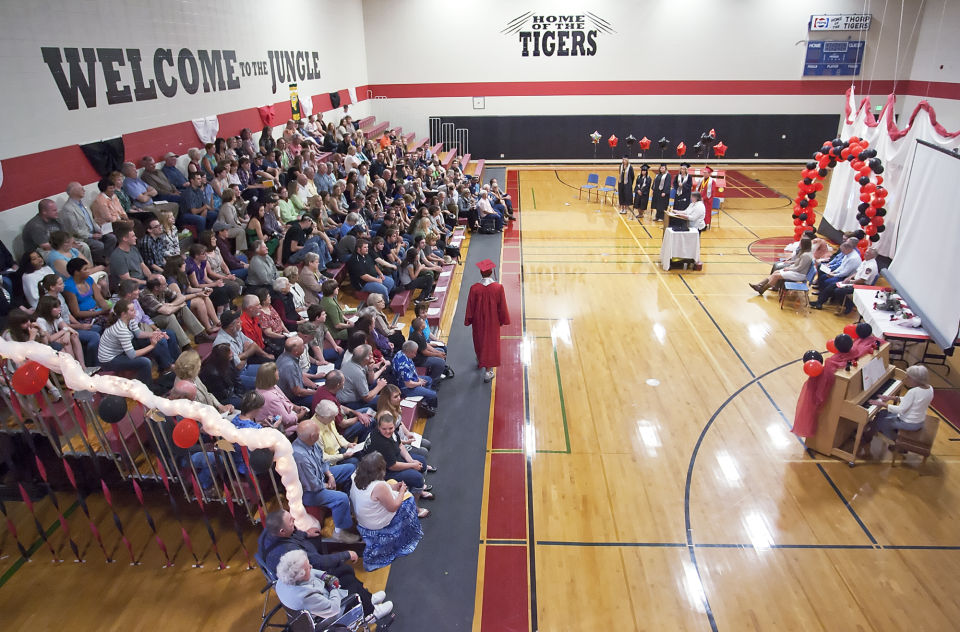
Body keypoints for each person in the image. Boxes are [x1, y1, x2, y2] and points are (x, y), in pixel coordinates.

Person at [256, 510, 390, 621]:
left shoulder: (270, 532)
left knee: (346, 571)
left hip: (295, 575)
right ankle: (370, 613)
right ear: (281, 531)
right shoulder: (290, 552)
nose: (294, 521)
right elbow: (318, 563)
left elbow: (294, 536)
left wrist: (305, 534)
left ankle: (368, 598)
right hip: (310, 586)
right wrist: (345, 557)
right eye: (291, 521)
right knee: (347, 576)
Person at [350, 452, 425, 570]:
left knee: (392, 482)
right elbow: (393, 507)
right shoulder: (379, 486)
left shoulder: (356, 475)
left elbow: (374, 492)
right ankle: (408, 536)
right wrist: (402, 491)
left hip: (362, 518)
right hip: (375, 523)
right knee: (408, 500)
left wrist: (393, 488)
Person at [292, 419, 360, 543]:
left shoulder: (311, 442)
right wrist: (327, 485)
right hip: (309, 493)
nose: (319, 435)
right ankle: (340, 532)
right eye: (318, 433)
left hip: (320, 479)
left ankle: (350, 507)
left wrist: (330, 475)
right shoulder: (299, 456)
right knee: (341, 498)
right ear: (313, 436)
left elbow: (322, 461)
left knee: (350, 468)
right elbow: (312, 485)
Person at [860, 365, 934, 456]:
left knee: (881, 422)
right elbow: (911, 401)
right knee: (882, 413)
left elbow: (901, 410)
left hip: (909, 423)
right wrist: (891, 398)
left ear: (915, 380)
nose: (906, 378)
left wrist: (882, 404)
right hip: (918, 421)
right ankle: (869, 434)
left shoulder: (913, 392)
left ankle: (899, 444)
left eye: (908, 377)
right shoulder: (929, 388)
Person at [98, 300, 166, 390]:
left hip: (119, 352)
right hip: (109, 360)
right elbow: (132, 354)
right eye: (132, 310)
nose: (136, 312)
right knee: (145, 362)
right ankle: (148, 390)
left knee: (156, 342)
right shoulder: (121, 329)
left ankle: (164, 368)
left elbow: (138, 334)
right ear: (124, 314)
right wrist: (152, 346)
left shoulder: (130, 320)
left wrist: (154, 334)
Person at [368, 412, 434, 503]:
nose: (388, 431)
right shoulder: (381, 443)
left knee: (422, 462)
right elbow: (392, 466)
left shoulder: (392, 432)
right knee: (417, 478)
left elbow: (400, 445)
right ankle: (415, 507)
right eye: (384, 429)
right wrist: (412, 465)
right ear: (379, 427)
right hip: (384, 473)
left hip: (395, 458)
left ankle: (417, 489)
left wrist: (410, 460)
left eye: (390, 428)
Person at [464, 259, 510, 382]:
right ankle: (488, 372)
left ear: (481, 273)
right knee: (490, 343)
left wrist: (469, 319)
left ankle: (481, 359)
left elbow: (470, 307)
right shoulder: (498, 287)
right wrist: (502, 319)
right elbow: (502, 307)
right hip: (492, 321)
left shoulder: (474, 288)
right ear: (491, 272)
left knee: (480, 340)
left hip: (478, 321)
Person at [213, 310, 273, 391]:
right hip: (236, 377)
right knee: (266, 381)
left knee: (271, 369)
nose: (241, 322)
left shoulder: (236, 331)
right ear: (231, 326)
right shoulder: (222, 343)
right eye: (238, 322)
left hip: (246, 367)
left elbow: (253, 345)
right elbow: (238, 366)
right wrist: (246, 352)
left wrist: (266, 355)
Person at [60, 182, 114, 264]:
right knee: (99, 245)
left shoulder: (84, 204)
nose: (84, 190)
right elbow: (74, 230)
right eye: (81, 188)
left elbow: (92, 220)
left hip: (93, 233)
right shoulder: (68, 209)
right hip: (83, 237)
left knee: (111, 238)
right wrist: (92, 236)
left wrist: (98, 229)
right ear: (73, 192)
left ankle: (107, 259)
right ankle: (98, 263)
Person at [313, 370, 373, 441]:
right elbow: (342, 424)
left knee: (368, 410)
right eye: (343, 381)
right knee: (370, 421)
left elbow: (340, 406)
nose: (344, 383)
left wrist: (357, 414)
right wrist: (358, 418)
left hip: (342, 418)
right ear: (338, 385)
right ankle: (362, 446)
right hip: (339, 432)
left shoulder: (322, 389)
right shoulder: (329, 401)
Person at [815, 247, 879, 313]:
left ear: (872, 256)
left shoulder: (870, 266)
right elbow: (857, 272)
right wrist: (849, 278)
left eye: (867, 253)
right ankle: (819, 302)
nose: (865, 253)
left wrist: (850, 281)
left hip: (861, 286)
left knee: (838, 291)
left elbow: (862, 280)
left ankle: (849, 305)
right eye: (866, 251)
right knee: (832, 285)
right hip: (855, 281)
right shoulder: (866, 261)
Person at [255, 362, 308, 436]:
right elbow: (287, 420)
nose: (278, 372)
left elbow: (285, 400)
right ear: (270, 376)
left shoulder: (273, 386)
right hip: (281, 430)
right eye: (276, 371)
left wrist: (296, 407)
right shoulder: (270, 398)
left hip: (290, 416)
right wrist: (301, 415)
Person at [173, 350, 234, 415]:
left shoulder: (192, 375)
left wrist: (221, 406)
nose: (200, 367)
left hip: (213, 413)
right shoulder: (182, 388)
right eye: (199, 365)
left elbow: (207, 394)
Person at [749, 237, 814, 296]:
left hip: (799, 274)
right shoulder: (804, 252)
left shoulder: (806, 255)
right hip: (796, 271)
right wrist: (791, 262)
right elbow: (800, 262)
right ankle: (760, 285)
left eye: (800, 242)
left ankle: (762, 289)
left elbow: (800, 268)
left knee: (776, 276)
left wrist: (789, 268)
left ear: (804, 244)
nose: (799, 243)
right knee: (776, 272)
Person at [811, 240, 862, 309]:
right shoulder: (847, 254)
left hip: (846, 277)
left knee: (828, 282)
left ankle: (821, 300)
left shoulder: (853, 258)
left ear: (848, 249)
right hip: (840, 274)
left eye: (843, 250)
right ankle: (821, 295)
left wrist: (833, 275)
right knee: (823, 277)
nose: (842, 252)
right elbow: (841, 266)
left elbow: (845, 272)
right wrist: (834, 272)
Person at [337, 344, 388, 411]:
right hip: (349, 403)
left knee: (378, 382)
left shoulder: (357, 361)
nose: (372, 356)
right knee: (385, 398)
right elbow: (367, 398)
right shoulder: (357, 373)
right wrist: (379, 386)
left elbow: (371, 381)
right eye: (370, 354)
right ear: (365, 359)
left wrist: (371, 369)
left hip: (356, 393)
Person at [392, 341, 438, 411]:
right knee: (433, 394)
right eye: (415, 352)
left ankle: (424, 399)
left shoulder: (401, 353)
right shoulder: (403, 366)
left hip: (412, 379)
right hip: (406, 388)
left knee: (429, 379)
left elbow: (411, 370)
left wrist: (418, 379)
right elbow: (408, 384)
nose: (415, 355)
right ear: (409, 352)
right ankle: (426, 407)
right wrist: (420, 383)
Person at [199, 343, 244, 408]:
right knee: (247, 403)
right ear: (223, 357)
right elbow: (222, 394)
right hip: (223, 398)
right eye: (230, 353)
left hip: (232, 389)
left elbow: (237, 378)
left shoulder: (228, 360)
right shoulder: (212, 373)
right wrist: (240, 397)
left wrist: (241, 393)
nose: (232, 353)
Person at [108, 224, 151, 290]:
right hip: (131, 287)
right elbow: (127, 279)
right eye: (133, 236)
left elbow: (143, 266)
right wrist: (146, 283)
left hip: (142, 281)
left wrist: (151, 279)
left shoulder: (134, 249)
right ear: (125, 238)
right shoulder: (117, 256)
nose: (136, 238)